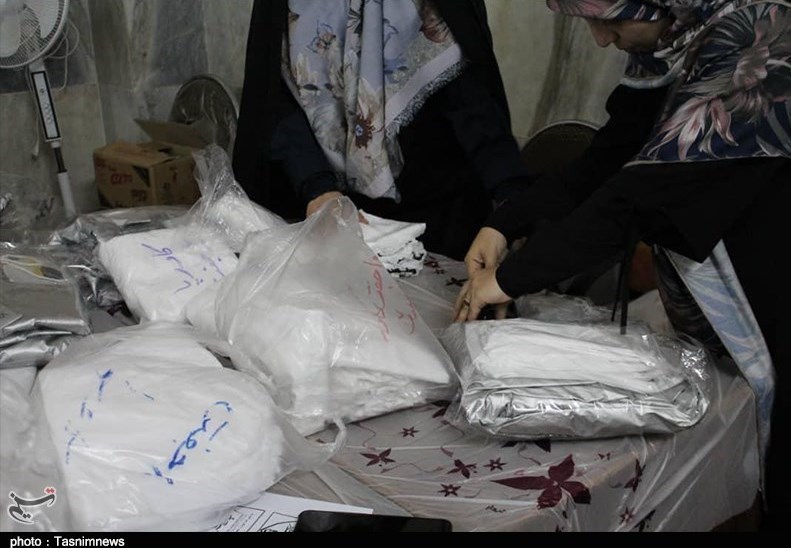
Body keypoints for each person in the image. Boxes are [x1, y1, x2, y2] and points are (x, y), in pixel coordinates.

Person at [453, 0, 790, 529]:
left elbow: (639, 197)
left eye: (610, 21)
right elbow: (606, 161)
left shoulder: (759, 46)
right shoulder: (679, 42)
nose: (601, 40)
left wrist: (510, 279)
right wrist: (505, 223)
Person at [232, 0, 531, 260]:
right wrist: (318, 189)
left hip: (436, 218)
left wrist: (511, 199)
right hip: (325, 218)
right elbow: (273, 98)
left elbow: (473, 102)